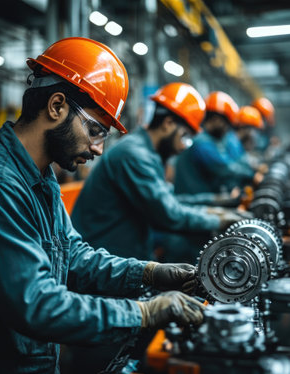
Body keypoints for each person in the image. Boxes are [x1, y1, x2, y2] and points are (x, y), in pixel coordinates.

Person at [0, 37, 207, 374]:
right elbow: (35, 302)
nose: (98, 148)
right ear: (56, 107)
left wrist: (150, 272)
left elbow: (74, 255)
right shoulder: (0, 184)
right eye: (94, 130)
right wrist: (143, 312)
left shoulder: (41, 177)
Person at [71, 82, 244, 262]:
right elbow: (169, 214)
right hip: (103, 263)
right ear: (168, 123)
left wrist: (216, 206)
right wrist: (220, 220)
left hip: (124, 256)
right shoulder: (135, 155)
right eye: (185, 137)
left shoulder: (149, 153)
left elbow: (170, 200)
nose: (182, 148)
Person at [174, 90, 256, 196]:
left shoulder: (209, 139)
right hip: (193, 202)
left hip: (200, 199)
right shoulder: (202, 143)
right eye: (226, 125)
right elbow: (223, 168)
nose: (227, 131)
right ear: (216, 120)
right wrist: (252, 174)